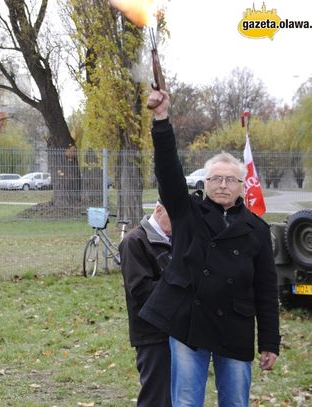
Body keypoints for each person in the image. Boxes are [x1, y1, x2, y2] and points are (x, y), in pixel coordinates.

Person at [139, 90, 280, 407]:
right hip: (191, 321)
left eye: (231, 180)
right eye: (216, 178)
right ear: (204, 182)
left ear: (242, 186)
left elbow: (266, 290)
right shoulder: (187, 211)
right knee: (187, 401)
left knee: (235, 402)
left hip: (236, 327)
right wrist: (162, 121)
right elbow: (168, 171)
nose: (223, 185)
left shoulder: (257, 230)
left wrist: (270, 341)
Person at [119, 200, 172, 407]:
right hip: (151, 334)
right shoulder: (134, 241)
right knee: (156, 398)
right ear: (159, 209)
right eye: (174, 217)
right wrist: (179, 283)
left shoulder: (177, 238)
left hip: (177, 331)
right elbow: (140, 291)